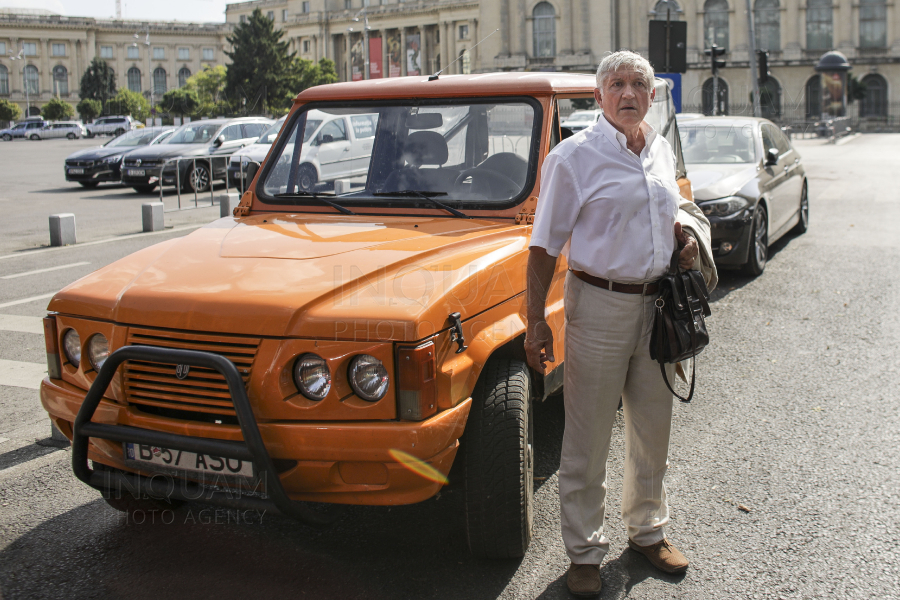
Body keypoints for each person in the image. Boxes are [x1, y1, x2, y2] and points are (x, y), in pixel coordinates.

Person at [524, 51, 714, 597]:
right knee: (587, 436)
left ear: (652, 95)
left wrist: (681, 245)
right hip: (598, 306)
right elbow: (542, 249)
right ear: (598, 95)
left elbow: (671, 213)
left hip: (657, 307)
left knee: (652, 430)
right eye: (616, 84)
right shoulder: (573, 158)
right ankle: (584, 553)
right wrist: (535, 323)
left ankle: (648, 531)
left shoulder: (658, 148)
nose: (627, 93)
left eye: (638, 84)